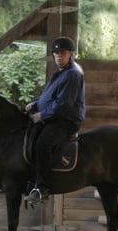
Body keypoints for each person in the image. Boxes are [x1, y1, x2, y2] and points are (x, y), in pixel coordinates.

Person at [24, 36, 85, 204]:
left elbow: (63, 104)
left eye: (62, 53)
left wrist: (41, 115)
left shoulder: (72, 74)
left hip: (66, 121)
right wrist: (36, 103)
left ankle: (42, 188)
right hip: (56, 117)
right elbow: (49, 96)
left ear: (71, 54)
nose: (59, 56)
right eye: (56, 53)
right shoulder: (61, 72)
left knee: (43, 143)